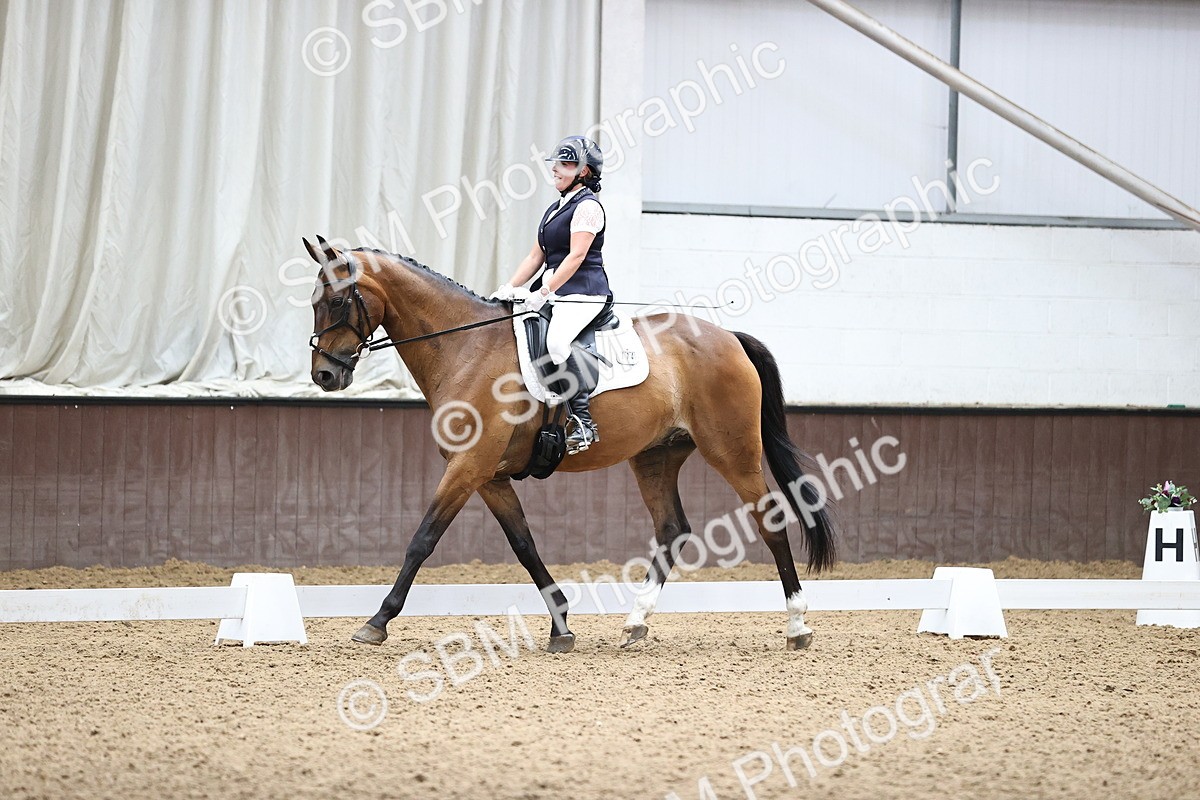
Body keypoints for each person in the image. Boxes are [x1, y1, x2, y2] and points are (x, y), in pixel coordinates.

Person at [491, 135, 611, 454]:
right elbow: (536, 257)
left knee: (556, 342)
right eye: (556, 164)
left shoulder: (588, 208)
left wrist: (544, 290)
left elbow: (575, 257)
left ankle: (584, 423)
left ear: (583, 172)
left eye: (565, 164)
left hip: (583, 293)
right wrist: (510, 288)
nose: (555, 170)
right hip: (556, 293)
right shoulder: (554, 208)